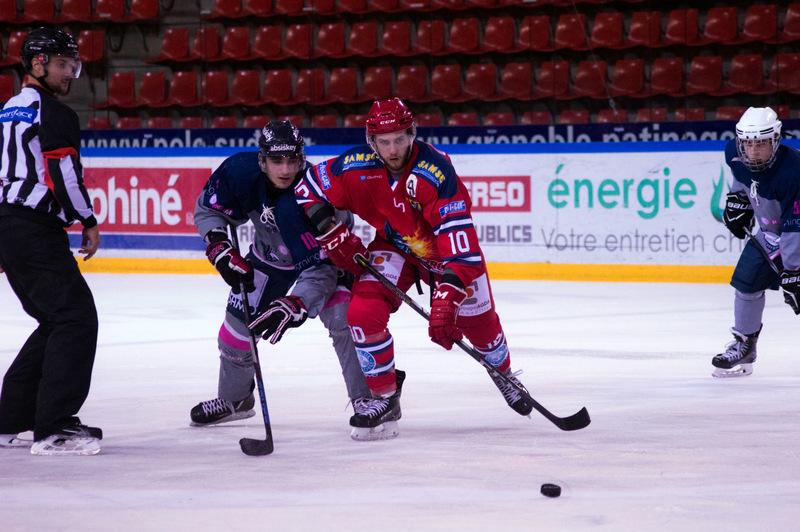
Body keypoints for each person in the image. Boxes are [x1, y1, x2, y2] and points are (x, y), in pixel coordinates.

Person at [295, 97, 534, 440]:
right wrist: (331, 232)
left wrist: (447, 299)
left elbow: (460, 246)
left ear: (412, 134)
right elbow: (308, 189)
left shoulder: (436, 171)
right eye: (384, 141)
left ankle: (504, 373)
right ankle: (385, 396)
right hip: (396, 248)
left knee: (480, 325)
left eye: (400, 139)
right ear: (371, 140)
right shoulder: (354, 165)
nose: (393, 149)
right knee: (362, 311)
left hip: (448, 258)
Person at [190, 120, 383, 433]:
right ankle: (236, 400)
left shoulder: (320, 194)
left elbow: (322, 269)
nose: (285, 170)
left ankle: (369, 399)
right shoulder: (239, 173)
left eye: (292, 160)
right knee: (236, 332)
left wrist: (298, 303)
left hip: (327, 263)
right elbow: (208, 210)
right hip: (271, 256)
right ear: (261, 160)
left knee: (343, 319)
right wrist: (220, 248)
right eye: (276, 161)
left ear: (302, 159)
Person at [0, 28, 103, 455]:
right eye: (62, 64)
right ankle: (54, 426)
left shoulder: (8, 109)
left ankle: (11, 419)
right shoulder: (54, 113)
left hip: (9, 225)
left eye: (72, 64)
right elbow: (63, 176)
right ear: (37, 64)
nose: (70, 73)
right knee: (76, 318)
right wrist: (88, 219)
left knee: (57, 319)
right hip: (33, 228)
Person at [714, 106, 800, 378]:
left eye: (760, 144)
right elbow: (743, 180)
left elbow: (794, 226)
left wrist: (794, 270)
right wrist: (737, 201)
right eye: (747, 145)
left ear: (775, 140)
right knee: (746, 283)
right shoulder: (735, 154)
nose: (752, 152)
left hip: (794, 235)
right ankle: (745, 344)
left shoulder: (793, 171)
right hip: (769, 234)